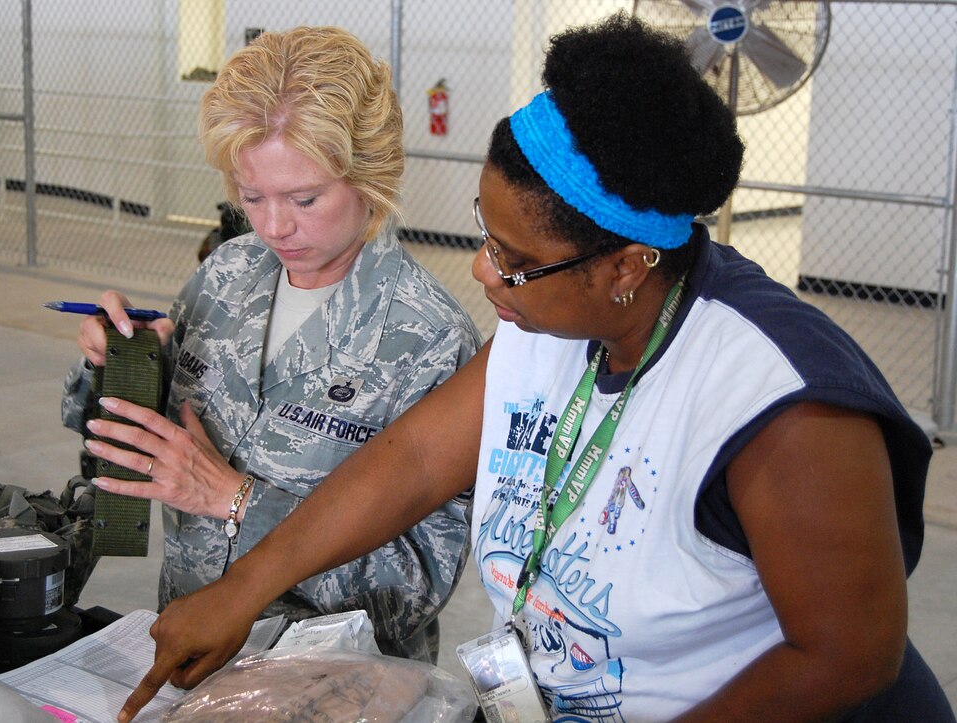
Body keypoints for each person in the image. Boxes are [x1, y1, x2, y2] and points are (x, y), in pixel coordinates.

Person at [112, 13, 955, 723]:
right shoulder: (541, 327)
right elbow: (410, 459)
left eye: (512, 259)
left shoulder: (782, 405)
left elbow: (845, 658)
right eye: (485, 234)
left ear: (625, 267)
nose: (482, 272)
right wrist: (244, 587)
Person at [62, 26, 481, 664]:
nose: (275, 226)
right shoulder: (226, 277)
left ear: (369, 178)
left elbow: (415, 588)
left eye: (305, 198)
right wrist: (116, 363)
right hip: (193, 653)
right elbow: (131, 441)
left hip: (333, 681)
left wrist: (236, 500)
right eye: (252, 196)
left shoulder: (428, 338)